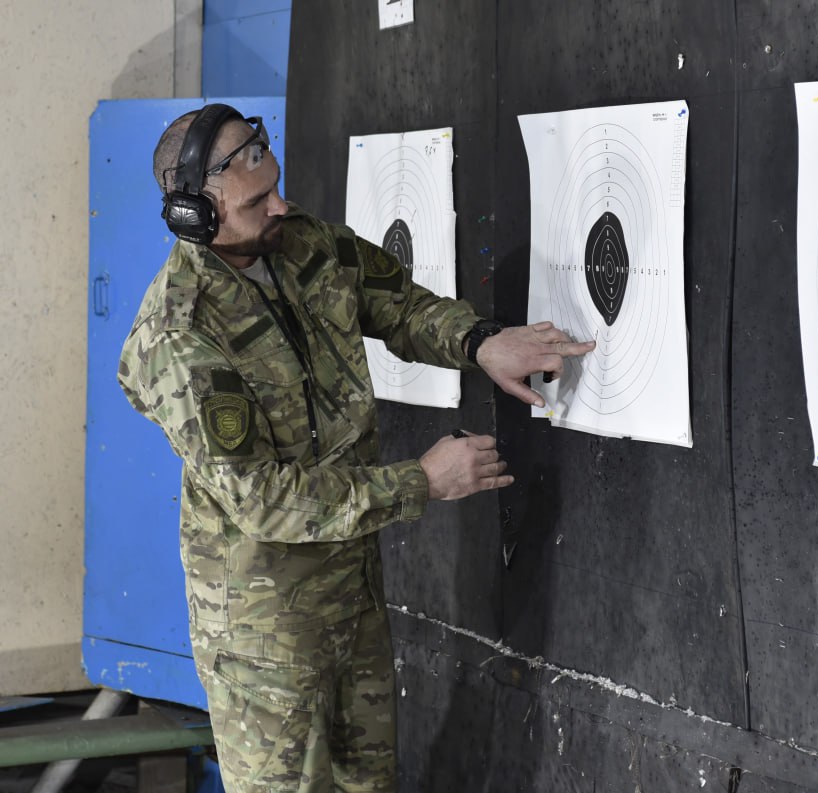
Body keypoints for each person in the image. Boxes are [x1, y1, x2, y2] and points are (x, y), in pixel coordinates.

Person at [117, 104, 594, 792]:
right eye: (257, 201)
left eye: (275, 183)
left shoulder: (298, 241)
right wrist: (421, 482)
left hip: (354, 595)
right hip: (266, 635)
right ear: (197, 215)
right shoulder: (180, 336)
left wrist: (479, 341)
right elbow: (263, 499)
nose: (282, 206)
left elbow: (394, 302)